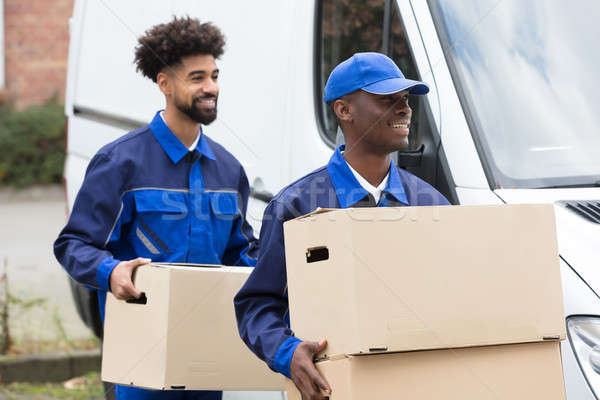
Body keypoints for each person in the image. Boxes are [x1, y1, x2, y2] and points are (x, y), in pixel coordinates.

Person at [54, 17, 257, 400]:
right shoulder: (120, 163)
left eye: (214, 76)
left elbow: (240, 252)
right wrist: (111, 272)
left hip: (207, 358)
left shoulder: (229, 169)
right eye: (197, 78)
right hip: (138, 362)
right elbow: (73, 244)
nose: (211, 87)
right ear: (165, 83)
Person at [234, 52, 450, 399]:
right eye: (386, 99)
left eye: (405, 100)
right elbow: (256, 305)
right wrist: (287, 354)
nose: (404, 109)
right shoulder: (294, 206)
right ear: (344, 110)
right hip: (334, 388)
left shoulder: (433, 205)